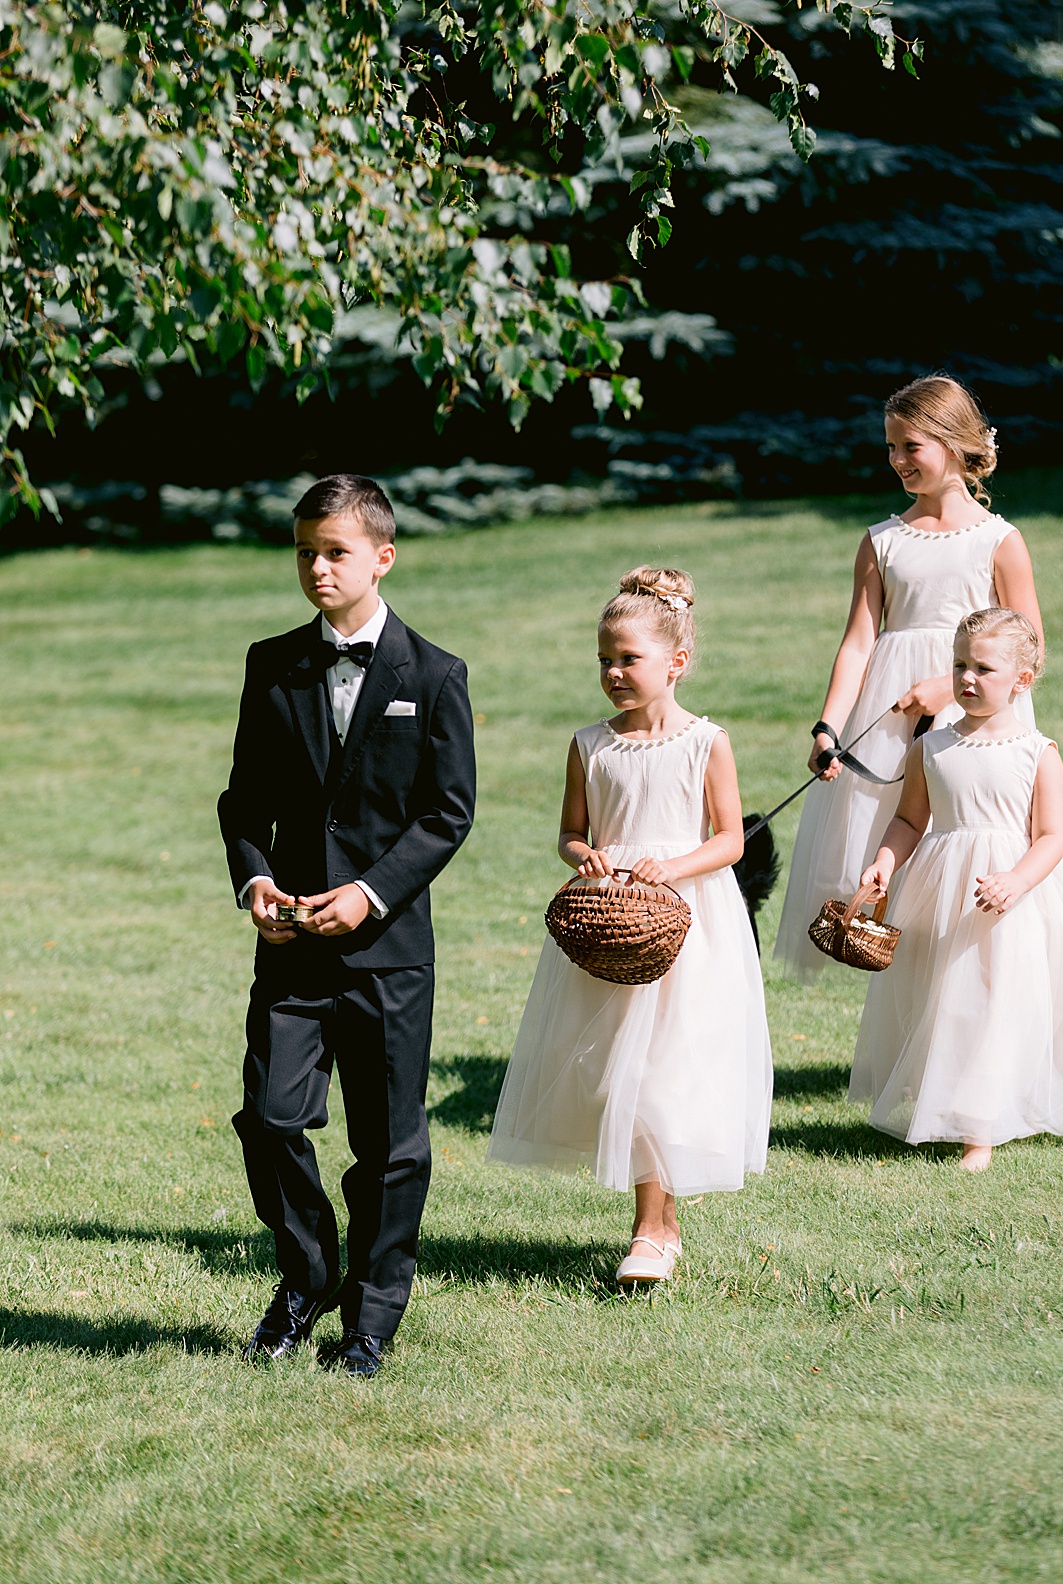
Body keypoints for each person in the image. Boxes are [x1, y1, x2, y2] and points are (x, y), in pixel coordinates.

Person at [218, 474, 475, 1375]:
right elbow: (244, 802)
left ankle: (371, 1319)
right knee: (268, 1117)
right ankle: (306, 1276)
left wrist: (368, 893)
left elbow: (447, 814)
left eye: (334, 552)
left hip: (388, 953)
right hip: (289, 944)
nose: (317, 568)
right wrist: (254, 878)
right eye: (304, 552)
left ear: (382, 557)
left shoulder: (436, 675)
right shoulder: (272, 664)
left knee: (389, 1145)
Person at [487, 567, 772, 1284]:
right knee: (616, 1074)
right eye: (605, 660)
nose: (614, 672)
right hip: (612, 922)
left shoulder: (707, 742)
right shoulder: (590, 744)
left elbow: (731, 840)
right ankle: (661, 1222)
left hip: (687, 920)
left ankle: (651, 1229)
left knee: (667, 1073)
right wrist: (588, 858)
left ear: (676, 662)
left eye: (629, 659)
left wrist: (673, 869)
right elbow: (570, 833)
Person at [850, 607, 1063, 1169]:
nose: (967, 679)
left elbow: (1050, 836)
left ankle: (981, 1130)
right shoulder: (931, 747)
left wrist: (1016, 880)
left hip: (1010, 896)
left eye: (984, 669)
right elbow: (908, 820)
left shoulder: (1037, 753)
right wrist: (884, 862)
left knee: (993, 1002)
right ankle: (936, 1099)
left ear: (1021, 679)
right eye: (959, 665)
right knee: (940, 996)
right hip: (940, 890)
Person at [773, 374, 1043, 978]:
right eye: (890, 447)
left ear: (953, 445)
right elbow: (858, 641)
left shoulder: (999, 542)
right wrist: (828, 728)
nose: (897, 460)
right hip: (892, 721)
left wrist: (947, 688)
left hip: (979, 711)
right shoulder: (883, 542)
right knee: (894, 855)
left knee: (969, 846)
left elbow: (1032, 644)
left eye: (910, 446)